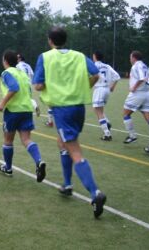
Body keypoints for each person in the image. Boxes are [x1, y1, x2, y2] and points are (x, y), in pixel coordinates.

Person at [33, 27, 106, 218]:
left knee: (74, 150)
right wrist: (81, 87)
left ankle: (95, 192)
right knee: (62, 142)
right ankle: (67, 184)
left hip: (62, 109)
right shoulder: (79, 55)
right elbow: (96, 74)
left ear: (50, 40)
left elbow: (38, 85)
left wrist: (53, 85)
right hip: (78, 107)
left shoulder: (45, 57)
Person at [0, 50, 46, 182]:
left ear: (5, 61)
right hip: (26, 110)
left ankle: (8, 168)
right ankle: (39, 161)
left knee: (8, 141)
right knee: (26, 139)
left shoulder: (7, 73)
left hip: (13, 111)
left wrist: (2, 103)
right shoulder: (23, 74)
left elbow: (14, 87)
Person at [122, 51, 149, 154]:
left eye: (130, 57)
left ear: (134, 58)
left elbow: (142, 78)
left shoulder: (137, 65)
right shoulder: (144, 65)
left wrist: (134, 88)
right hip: (147, 94)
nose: (129, 59)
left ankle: (132, 135)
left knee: (126, 114)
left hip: (138, 94)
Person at [92, 50, 120, 141]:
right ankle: (107, 122)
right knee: (98, 109)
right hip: (106, 90)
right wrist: (112, 87)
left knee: (98, 111)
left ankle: (107, 134)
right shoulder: (107, 66)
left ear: (95, 56)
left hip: (99, 89)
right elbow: (117, 76)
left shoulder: (93, 66)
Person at [16, 53, 40, 117]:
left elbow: (16, 75)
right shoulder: (28, 65)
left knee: (20, 98)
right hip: (29, 84)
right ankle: (35, 106)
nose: (16, 59)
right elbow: (32, 74)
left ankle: (22, 112)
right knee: (28, 98)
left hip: (22, 84)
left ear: (20, 58)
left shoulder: (18, 66)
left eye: (17, 58)